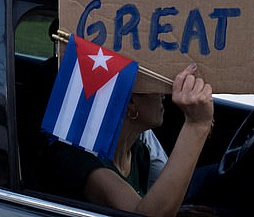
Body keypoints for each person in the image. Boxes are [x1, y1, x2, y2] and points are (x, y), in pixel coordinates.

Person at [40, 63, 214, 217]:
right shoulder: (78, 157)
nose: (163, 94)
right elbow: (145, 215)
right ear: (130, 102)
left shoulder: (139, 151)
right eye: (153, 86)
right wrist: (197, 125)